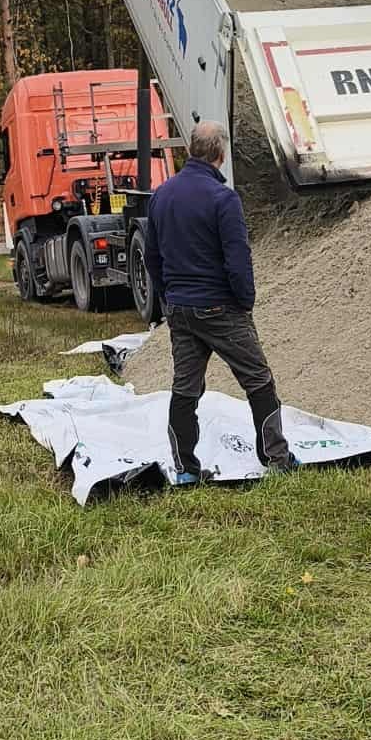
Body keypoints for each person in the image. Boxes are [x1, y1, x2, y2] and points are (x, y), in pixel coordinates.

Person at [143, 121, 299, 485]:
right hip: (220, 306)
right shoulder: (223, 199)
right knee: (258, 381)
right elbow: (237, 258)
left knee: (185, 388)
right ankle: (276, 457)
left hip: (180, 308)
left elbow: (152, 257)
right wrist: (245, 301)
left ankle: (184, 469)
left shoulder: (161, 196)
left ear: (191, 150)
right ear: (220, 154)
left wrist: (170, 296)